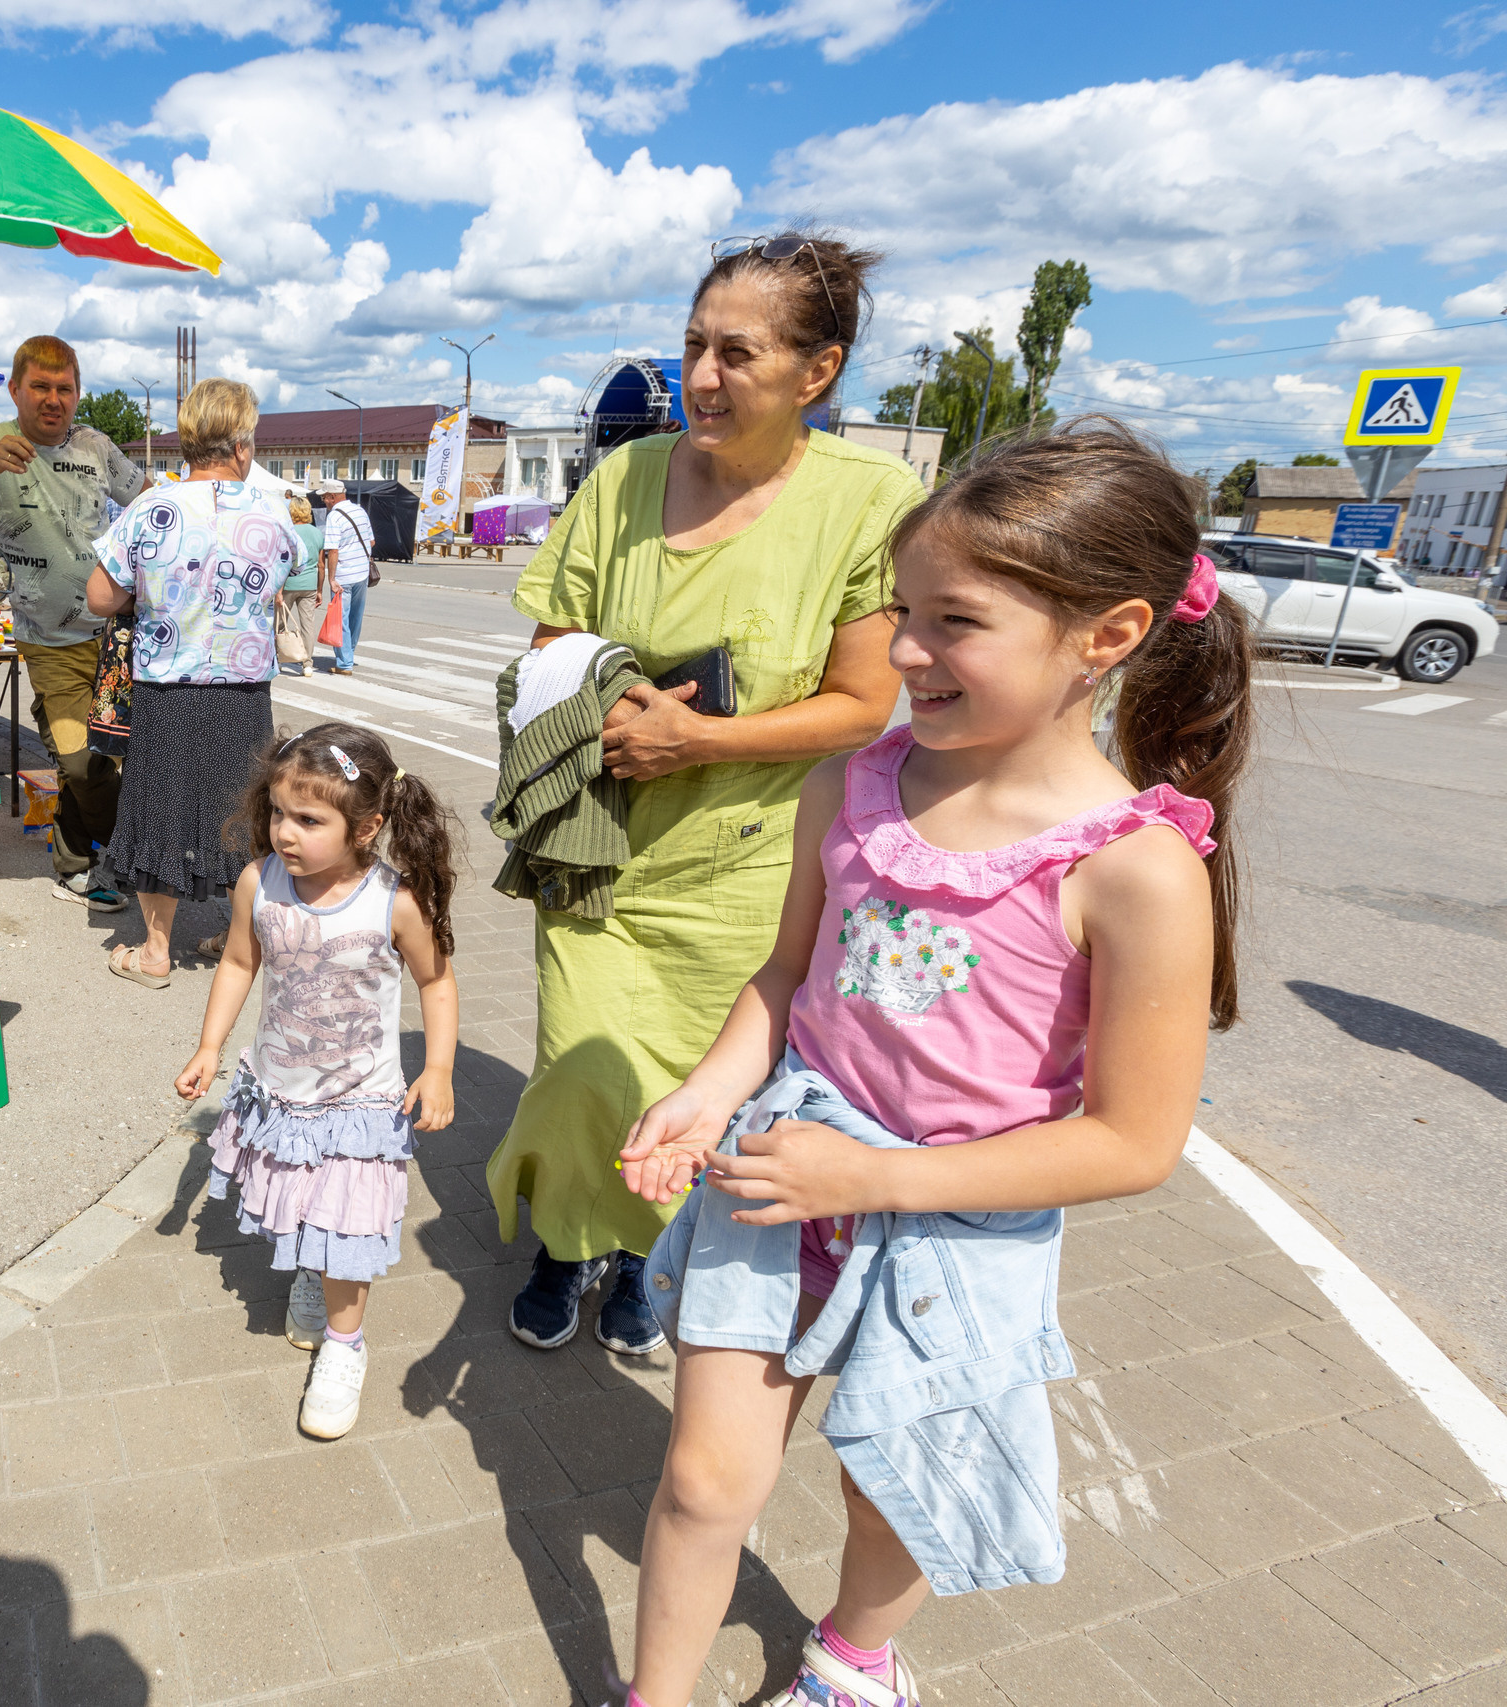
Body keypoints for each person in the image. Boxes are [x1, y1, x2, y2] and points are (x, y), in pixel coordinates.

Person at [610, 420, 1251, 1707]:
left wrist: (876, 1179)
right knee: (699, 1481)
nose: (903, 651)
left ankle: (850, 1663)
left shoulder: (1136, 872)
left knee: (886, 1488)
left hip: (959, 1230)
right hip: (784, 1174)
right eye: (901, 610)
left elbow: (1133, 1142)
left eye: (952, 621)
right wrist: (705, 1089)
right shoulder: (850, 783)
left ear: (1108, 637)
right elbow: (785, 983)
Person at [488, 231, 923, 1359]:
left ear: (815, 372)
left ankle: (643, 1255)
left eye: (737, 352)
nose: (704, 377)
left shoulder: (870, 499)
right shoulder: (623, 478)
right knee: (583, 1061)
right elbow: (555, 634)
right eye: (693, 345)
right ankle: (567, 1240)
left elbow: (862, 704)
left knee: (698, 1083)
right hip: (601, 841)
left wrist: (702, 739)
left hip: (748, 867)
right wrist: (602, 692)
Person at [176, 723, 462, 1440]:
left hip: (360, 1103)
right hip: (283, 1091)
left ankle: (344, 1346)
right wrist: (211, 1045)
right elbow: (240, 962)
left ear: (367, 827)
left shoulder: (392, 901)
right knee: (305, 1204)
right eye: (277, 812)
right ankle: (313, 1267)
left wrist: (439, 1067)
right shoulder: (259, 884)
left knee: (350, 1223)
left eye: (309, 819)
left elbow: (437, 980)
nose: (284, 832)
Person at [86, 378, 301, 987]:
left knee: (161, 807)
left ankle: (156, 952)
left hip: (168, 688)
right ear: (239, 446)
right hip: (243, 690)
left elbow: (101, 595)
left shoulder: (154, 507)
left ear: (188, 443)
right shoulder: (271, 513)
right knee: (245, 812)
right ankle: (240, 941)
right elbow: (291, 579)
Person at [0, 335, 149, 913]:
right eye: (40, 387)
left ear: (78, 393)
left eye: (64, 389)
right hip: (49, 640)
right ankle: (141, 850)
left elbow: (151, 502)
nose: (53, 399)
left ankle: (75, 865)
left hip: (118, 635)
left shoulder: (97, 446)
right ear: (16, 390)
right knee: (81, 760)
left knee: (108, 758)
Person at [320, 481, 375, 674]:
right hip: (361, 573)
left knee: (339, 619)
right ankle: (349, 654)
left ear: (332, 497)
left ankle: (344, 663)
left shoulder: (334, 516)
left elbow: (333, 550)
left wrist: (331, 578)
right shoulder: (360, 511)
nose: (324, 501)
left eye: (324, 497)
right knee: (355, 618)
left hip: (343, 575)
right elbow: (372, 541)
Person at [276, 493, 328, 676]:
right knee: (307, 625)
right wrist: (320, 589)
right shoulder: (317, 533)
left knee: (281, 623)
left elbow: (283, 562)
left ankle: (280, 658)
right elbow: (321, 565)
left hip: (288, 584)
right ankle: (307, 663)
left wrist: (278, 591)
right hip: (309, 585)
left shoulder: (288, 532)